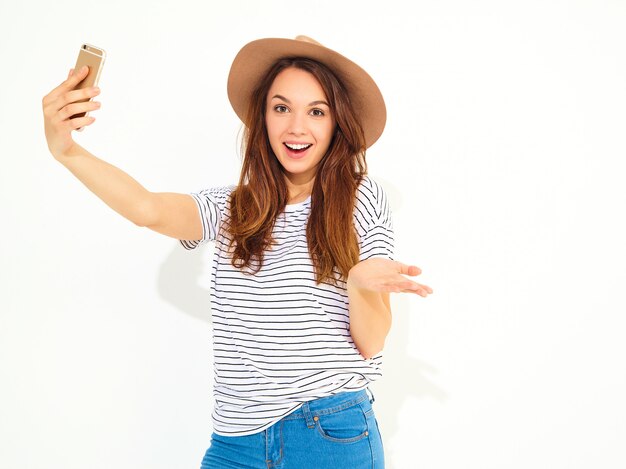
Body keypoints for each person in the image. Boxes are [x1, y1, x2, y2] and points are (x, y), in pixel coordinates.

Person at [42, 35, 433, 469]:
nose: (296, 128)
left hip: (327, 432)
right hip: (235, 441)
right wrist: (66, 150)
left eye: (316, 111)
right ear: (262, 117)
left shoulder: (360, 197)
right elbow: (147, 209)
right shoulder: (232, 208)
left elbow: (373, 339)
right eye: (281, 107)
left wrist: (360, 283)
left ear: (336, 123)